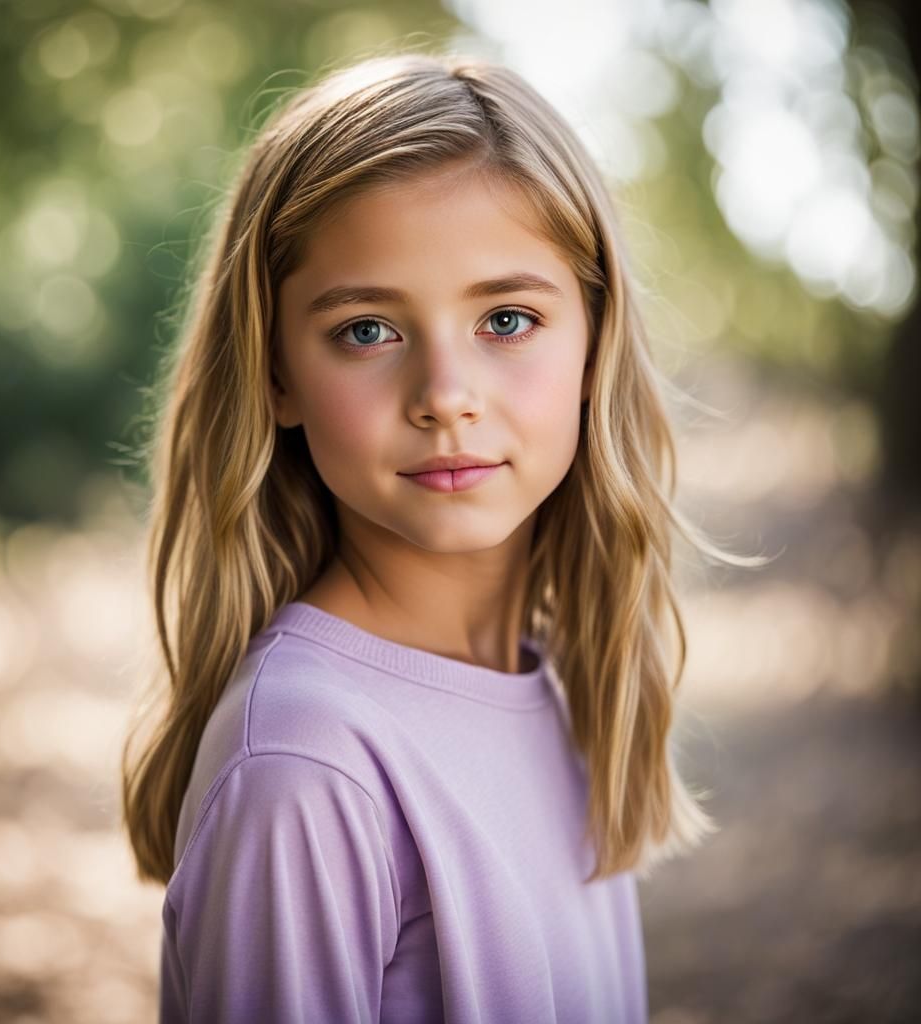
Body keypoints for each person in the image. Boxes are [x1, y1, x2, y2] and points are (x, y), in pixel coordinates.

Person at [121, 49, 754, 1023]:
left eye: (506, 318)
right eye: (368, 330)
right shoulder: (307, 762)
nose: (445, 398)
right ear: (276, 372)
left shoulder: (557, 686)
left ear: (595, 341)